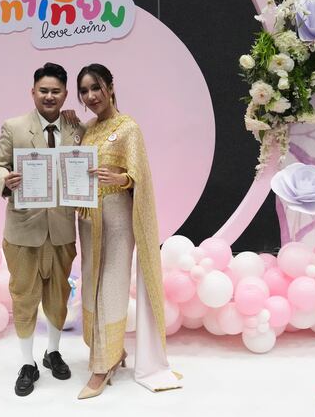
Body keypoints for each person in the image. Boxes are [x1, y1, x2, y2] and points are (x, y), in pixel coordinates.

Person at [75, 63, 182, 399]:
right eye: (84, 90)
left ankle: (101, 368)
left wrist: (120, 179)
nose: (91, 96)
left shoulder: (128, 128)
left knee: (111, 286)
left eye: (96, 87)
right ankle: (112, 351)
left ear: (110, 86)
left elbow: (139, 176)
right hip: (88, 219)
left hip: (118, 218)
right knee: (91, 284)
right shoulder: (88, 129)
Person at [0, 62, 85, 397]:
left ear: (65, 94)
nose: (49, 96)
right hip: (22, 230)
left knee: (58, 296)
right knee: (25, 297)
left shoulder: (76, 129)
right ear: (33, 92)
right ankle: (27, 362)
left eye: (55, 91)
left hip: (61, 229)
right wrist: (5, 179)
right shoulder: (13, 127)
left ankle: (52, 352)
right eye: (43, 90)